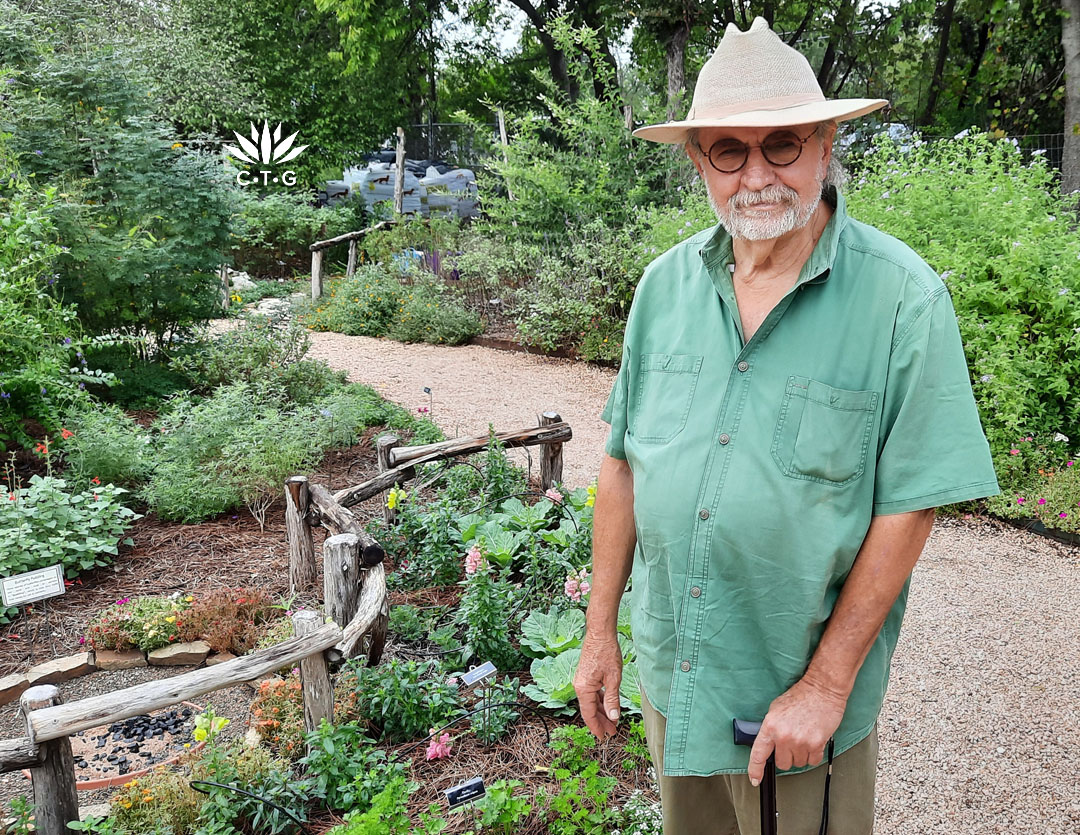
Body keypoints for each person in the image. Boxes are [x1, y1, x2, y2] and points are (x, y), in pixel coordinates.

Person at [573, 17, 999, 835]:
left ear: (827, 141)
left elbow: (909, 504)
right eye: (729, 149)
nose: (758, 174)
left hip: (795, 714)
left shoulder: (903, 301)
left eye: (784, 144)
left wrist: (827, 685)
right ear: (699, 161)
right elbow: (622, 462)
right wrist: (599, 633)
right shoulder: (662, 290)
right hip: (679, 678)